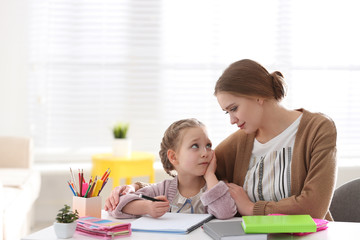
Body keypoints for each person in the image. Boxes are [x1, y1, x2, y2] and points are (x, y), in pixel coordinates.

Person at [105, 59, 337, 221]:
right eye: (227, 112)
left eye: (234, 108)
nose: (232, 120)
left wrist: (250, 208)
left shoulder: (317, 129)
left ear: (258, 95)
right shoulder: (239, 142)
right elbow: (190, 178)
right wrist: (135, 188)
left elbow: (314, 206)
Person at [106, 118, 237, 219]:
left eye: (208, 145)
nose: (205, 152)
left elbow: (225, 213)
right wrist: (147, 207)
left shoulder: (216, 188)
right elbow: (119, 205)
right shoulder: (164, 189)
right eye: (195, 146)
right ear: (173, 157)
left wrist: (210, 176)